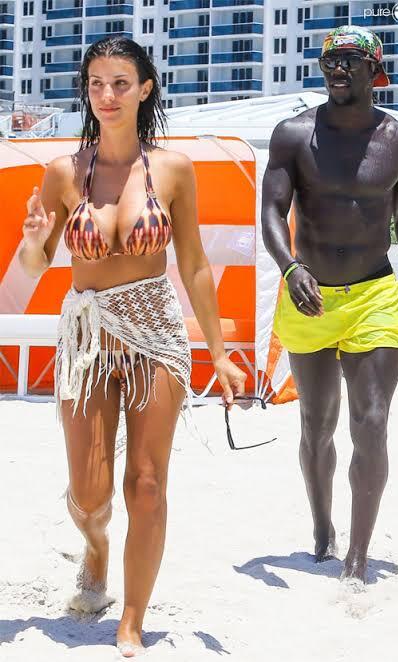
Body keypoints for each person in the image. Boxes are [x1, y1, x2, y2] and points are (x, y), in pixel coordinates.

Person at [19, 36, 246, 656]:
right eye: (96, 84)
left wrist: (219, 353)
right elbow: (32, 268)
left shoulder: (174, 169)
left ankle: (132, 620)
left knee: (146, 484)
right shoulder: (63, 172)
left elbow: (194, 264)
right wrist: (34, 243)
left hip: (155, 334)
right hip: (89, 339)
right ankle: (95, 547)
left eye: (120, 83)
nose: (107, 95)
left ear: (145, 89)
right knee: (90, 494)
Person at [261, 25, 398, 586]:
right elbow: (272, 211)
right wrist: (290, 267)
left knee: (373, 420)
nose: (337, 70)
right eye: (329, 61)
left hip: (374, 294)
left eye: (350, 61)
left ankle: (358, 559)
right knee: (317, 425)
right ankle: (323, 529)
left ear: (374, 71)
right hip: (309, 294)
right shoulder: (294, 135)